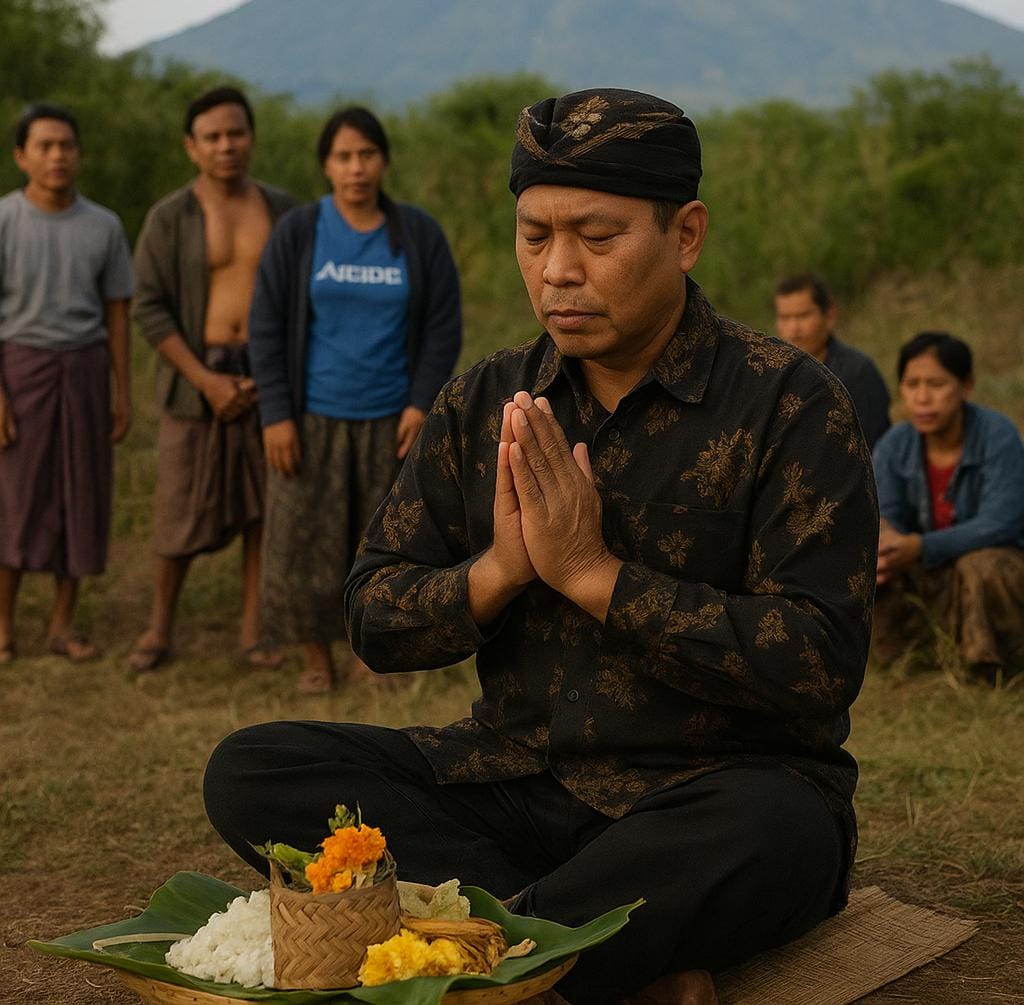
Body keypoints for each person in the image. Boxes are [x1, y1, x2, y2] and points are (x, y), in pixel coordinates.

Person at [204, 89, 878, 1004]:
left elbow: (820, 661)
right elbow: (370, 613)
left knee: (782, 826)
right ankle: (583, 949)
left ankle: (494, 946)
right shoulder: (486, 402)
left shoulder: (790, 404)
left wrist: (598, 579)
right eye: (534, 237)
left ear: (685, 234)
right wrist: (498, 573)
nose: (558, 270)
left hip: (705, 794)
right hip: (515, 785)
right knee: (255, 769)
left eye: (597, 240)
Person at [247, 106, 462, 694]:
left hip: (391, 420)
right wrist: (277, 415)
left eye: (367, 154)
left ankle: (371, 654)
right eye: (343, 156)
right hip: (312, 419)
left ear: (384, 161)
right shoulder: (300, 232)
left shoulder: (416, 233)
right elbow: (265, 325)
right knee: (301, 542)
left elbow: (443, 324)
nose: (356, 167)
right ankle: (315, 656)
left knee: (384, 546)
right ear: (326, 165)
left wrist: (422, 403)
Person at [129, 87, 295, 673]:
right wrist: (205, 381)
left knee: (262, 509)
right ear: (191, 148)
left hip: (264, 377)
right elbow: (149, 306)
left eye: (236, 133)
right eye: (212, 137)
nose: (226, 146)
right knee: (177, 508)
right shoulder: (168, 218)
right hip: (198, 383)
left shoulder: (281, 210)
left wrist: (272, 376)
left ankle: (255, 630)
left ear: (251, 138)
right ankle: (158, 629)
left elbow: (299, 297)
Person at [0, 103, 133, 666]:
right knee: (15, 499)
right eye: (45, 145)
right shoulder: (4, 219)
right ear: (21, 155)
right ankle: (3, 626)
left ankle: (63, 624)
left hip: (83, 371)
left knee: (81, 496)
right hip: (19, 370)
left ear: (78, 153)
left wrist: (122, 390)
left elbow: (117, 312)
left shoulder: (103, 225)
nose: (57, 156)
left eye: (66, 146)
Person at [873, 331, 1024, 680]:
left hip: (995, 565)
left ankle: (993, 668)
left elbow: (1003, 521)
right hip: (929, 566)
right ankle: (907, 659)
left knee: (982, 566)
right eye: (912, 384)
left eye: (936, 384)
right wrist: (889, 540)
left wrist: (921, 547)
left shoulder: (997, 435)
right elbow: (885, 511)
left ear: (966, 387)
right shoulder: (895, 444)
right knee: (872, 566)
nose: (923, 397)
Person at [774, 272, 891, 448]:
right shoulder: (771, 374)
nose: (793, 329)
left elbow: (874, 446)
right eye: (785, 318)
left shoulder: (857, 372)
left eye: (803, 316)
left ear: (829, 316)